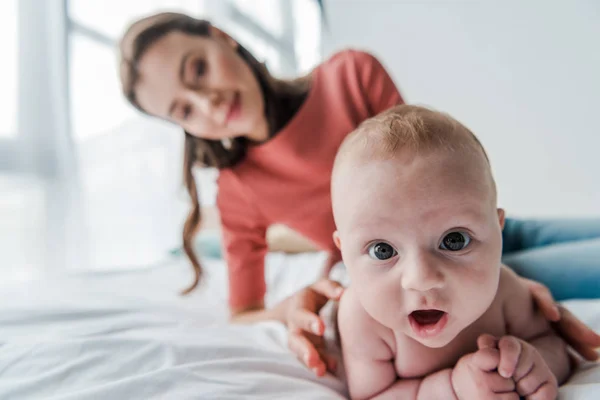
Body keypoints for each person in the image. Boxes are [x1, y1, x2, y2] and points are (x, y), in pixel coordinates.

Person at [118, 12, 600, 377]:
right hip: (451, 266)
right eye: (183, 109)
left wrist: (503, 281)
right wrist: (291, 306)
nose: (209, 103)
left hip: (482, 234)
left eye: (198, 70)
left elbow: (422, 152)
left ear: (222, 38)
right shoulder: (238, 190)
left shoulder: (350, 74)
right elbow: (243, 311)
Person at [334, 105, 573, 400]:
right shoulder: (362, 319)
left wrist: (533, 364)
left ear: (498, 230)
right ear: (343, 254)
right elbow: (372, 395)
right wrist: (452, 388)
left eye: (455, 240)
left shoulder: (506, 292)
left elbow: (554, 346)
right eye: (383, 251)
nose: (421, 279)